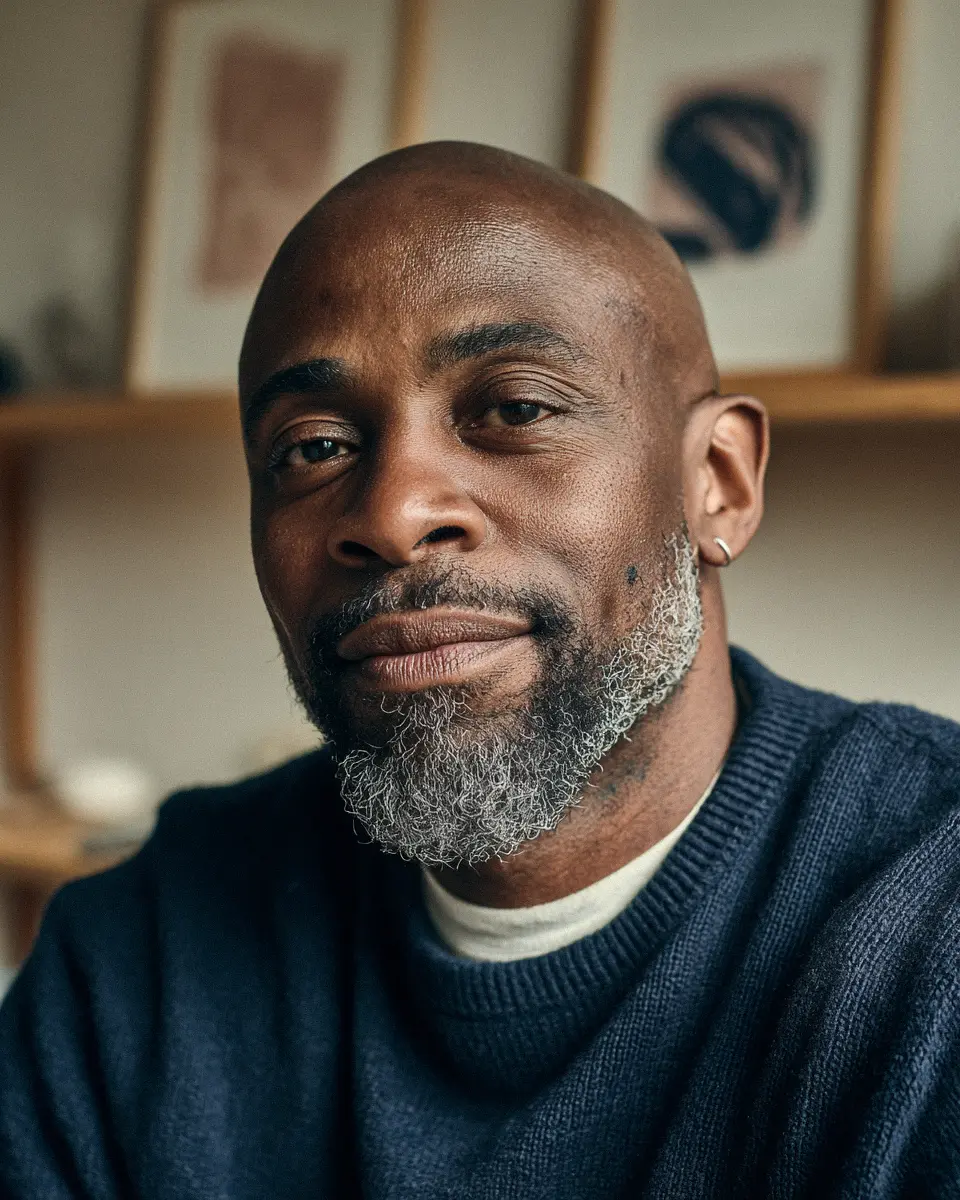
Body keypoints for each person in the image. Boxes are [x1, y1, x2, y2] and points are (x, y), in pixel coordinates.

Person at [1, 142, 958, 1199]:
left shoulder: (928, 947)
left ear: (718, 484)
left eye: (515, 409)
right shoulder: (137, 961)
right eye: (314, 446)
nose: (396, 515)